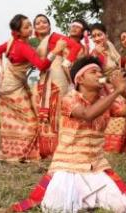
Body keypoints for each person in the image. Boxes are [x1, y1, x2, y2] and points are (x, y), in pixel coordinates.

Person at [11, 56, 126, 213]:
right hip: (68, 166)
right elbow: (87, 114)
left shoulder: (106, 101)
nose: (99, 75)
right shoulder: (70, 98)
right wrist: (117, 91)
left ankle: (84, 201)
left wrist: (125, 92)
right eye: (93, 72)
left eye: (100, 72)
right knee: (53, 208)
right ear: (80, 79)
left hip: (95, 167)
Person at [0, 14, 64, 162]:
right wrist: (56, 51)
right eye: (27, 27)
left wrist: (0, 69)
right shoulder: (23, 47)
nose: (31, 28)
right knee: (31, 122)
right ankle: (20, 153)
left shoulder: (13, 42)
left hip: (12, 86)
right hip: (11, 89)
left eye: (30, 25)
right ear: (18, 32)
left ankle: (13, 151)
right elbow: (42, 65)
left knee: (15, 121)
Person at [30, 14, 83, 158]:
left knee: (58, 108)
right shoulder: (37, 42)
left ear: (49, 25)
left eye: (44, 22)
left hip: (57, 74)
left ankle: (62, 147)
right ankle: (47, 147)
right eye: (38, 23)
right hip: (44, 75)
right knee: (42, 108)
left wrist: (67, 63)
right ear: (34, 27)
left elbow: (76, 46)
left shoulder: (54, 37)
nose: (41, 24)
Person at [90, 23, 126, 153]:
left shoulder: (110, 47)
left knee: (122, 114)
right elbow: (95, 78)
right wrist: (109, 82)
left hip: (118, 85)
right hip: (106, 89)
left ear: (106, 35)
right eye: (93, 36)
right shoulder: (95, 54)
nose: (97, 38)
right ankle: (107, 148)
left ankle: (117, 147)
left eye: (99, 34)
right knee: (113, 115)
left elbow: (118, 64)